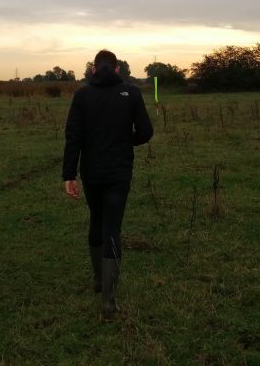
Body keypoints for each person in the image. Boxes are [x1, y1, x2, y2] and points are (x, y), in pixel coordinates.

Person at [62, 49, 154, 320]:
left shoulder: (82, 95)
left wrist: (69, 175)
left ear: (93, 70)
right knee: (112, 227)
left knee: (96, 220)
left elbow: (73, 137)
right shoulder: (132, 93)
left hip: (91, 172)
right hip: (119, 172)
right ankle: (109, 301)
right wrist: (127, 142)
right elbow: (146, 132)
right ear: (116, 70)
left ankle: (99, 280)